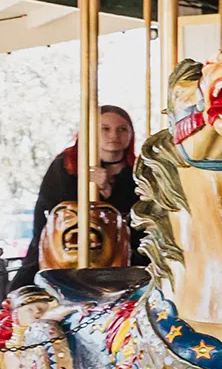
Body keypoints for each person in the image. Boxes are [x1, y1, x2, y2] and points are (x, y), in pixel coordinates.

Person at [14, 104, 138, 289]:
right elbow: (54, 211)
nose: (114, 135)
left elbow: (141, 216)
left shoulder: (137, 172)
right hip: (69, 249)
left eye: (122, 129)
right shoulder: (67, 166)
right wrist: (90, 193)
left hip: (121, 254)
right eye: (105, 129)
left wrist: (108, 193)